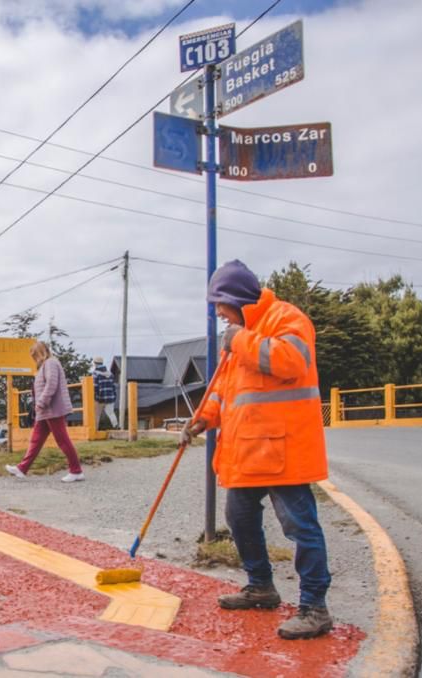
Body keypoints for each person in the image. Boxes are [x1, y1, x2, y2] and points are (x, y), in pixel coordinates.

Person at [182, 259, 333, 640]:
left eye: (220, 302)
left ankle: (315, 607)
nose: (217, 312)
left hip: (285, 453)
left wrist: (239, 340)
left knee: (300, 527)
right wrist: (204, 416)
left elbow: (291, 361)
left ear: (238, 298)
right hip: (248, 453)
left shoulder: (286, 318)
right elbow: (226, 389)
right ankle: (261, 586)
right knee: (239, 517)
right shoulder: (240, 334)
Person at [5, 341, 86, 483]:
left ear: (41, 352)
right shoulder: (46, 365)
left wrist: (41, 402)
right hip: (45, 411)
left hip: (52, 409)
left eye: (35, 355)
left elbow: (51, 385)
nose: (34, 358)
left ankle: (76, 471)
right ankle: (22, 468)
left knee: (63, 440)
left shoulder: (50, 363)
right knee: (36, 440)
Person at [92, 356, 119, 429]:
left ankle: (95, 430)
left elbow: (95, 387)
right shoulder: (110, 374)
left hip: (100, 397)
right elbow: (113, 387)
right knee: (110, 412)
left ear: (95, 363)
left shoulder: (95, 373)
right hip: (110, 397)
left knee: (97, 415)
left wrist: (95, 398)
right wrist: (114, 396)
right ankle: (115, 425)